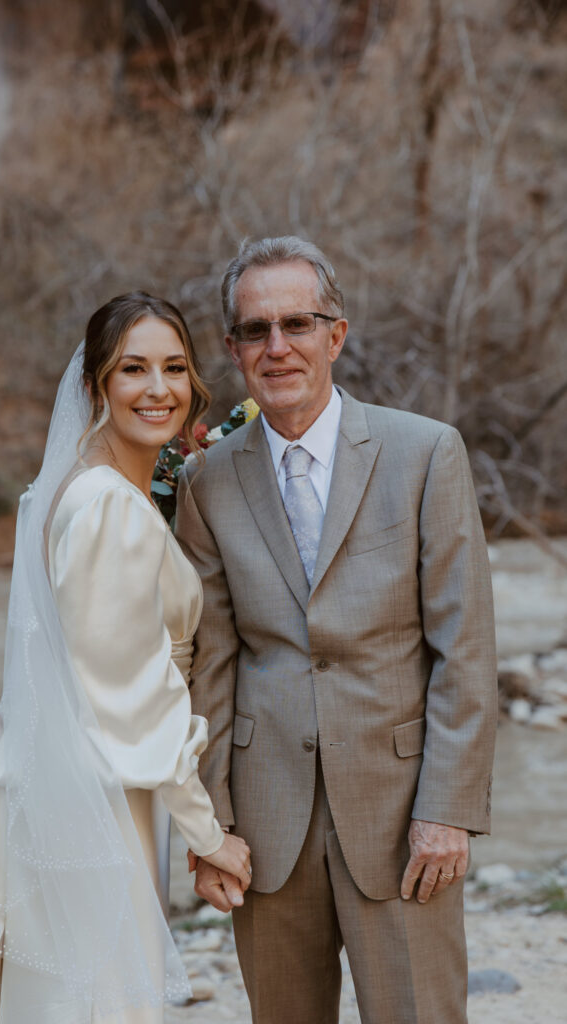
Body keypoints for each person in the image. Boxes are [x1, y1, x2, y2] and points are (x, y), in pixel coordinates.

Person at [176, 237, 498, 1024]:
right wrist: (210, 823)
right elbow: (211, 661)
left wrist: (447, 810)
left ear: (335, 335)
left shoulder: (424, 453)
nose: (276, 347)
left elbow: (464, 646)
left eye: (297, 323)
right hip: (265, 821)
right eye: (255, 330)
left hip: (400, 819)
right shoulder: (206, 479)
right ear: (232, 349)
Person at [0, 292, 251, 1024]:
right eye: (132, 370)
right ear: (95, 387)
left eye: (175, 368)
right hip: (98, 805)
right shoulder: (109, 509)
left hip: (57, 785)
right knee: (99, 1005)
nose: (159, 390)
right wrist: (207, 834)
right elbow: (132, 698)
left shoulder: (73, 487)